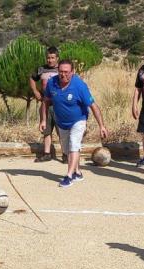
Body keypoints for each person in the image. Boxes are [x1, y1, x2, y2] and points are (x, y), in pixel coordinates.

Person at [41, 59, 108, 188]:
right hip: (61, 122)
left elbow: (93, 106)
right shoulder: (51, 83)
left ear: (73, 72)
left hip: (79, 120)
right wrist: (43, 120)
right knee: (67, 149)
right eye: (60, 72)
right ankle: (77, 172)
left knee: (74, 144)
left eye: (66, 72)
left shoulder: (79, 86)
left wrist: (102, 126)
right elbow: (45, 102)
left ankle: (69, 176)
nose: (63, 75)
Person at [30, 46, 60, 163]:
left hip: (59, 105)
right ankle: (47, 154)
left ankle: (65, 154)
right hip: (45, 105)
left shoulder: (61, 69)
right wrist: (35, 91)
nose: (50, 60)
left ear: (57, 58)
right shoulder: (41, 69)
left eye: (52, 58)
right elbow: (32, 78)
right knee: (46, 130)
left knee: (61, 131)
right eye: (48, 58)